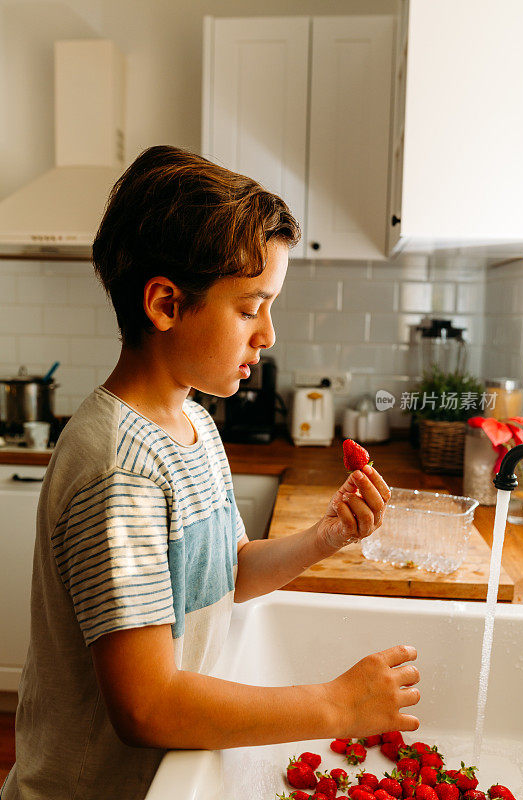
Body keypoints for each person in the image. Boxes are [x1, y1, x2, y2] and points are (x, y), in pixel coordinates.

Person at [2, 145, 420, 800]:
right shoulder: (120, 469)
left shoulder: (193, 426)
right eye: (251, 307)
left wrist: (324, 536)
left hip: (168, 775)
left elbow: (218, 575)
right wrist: (337, 705)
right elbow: (146, 706)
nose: (268, 334)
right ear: (165, 304)